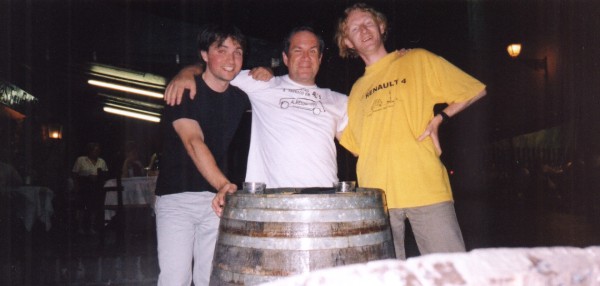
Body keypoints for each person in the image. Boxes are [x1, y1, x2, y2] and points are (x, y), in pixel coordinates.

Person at [335, 3, 487, 260]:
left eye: (369, 23)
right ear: (347, 42)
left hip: (425, 186)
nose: (363, 30)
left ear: (381, 27)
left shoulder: (417, 59)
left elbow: (474, 90)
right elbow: (357, 146)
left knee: (452, 271)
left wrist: (440, 118)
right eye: (354, 28)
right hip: (376, 198)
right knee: (386, 277)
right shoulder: (357, 91)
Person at [164, 26, 349, 195]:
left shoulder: (339, 100)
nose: (305, 58)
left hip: (326, 196)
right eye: (297, 50)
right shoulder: (262, 83)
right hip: (273, 198)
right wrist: (187, 72)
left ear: (320, 58)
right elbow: (216, 70)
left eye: (313, 51)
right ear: (285, 57)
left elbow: (359, 146)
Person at [154, 23, 250, 286]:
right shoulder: (184, 90)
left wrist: (264, 72)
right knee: (175, 279)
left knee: (211, 279)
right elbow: (193, 142)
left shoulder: (240, 97)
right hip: (177, 199)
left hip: (215, 202)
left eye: (238, 52)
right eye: (222, 50)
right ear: (205, 55)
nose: (231, 60)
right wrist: (224, 185)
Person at [71, 142, 108, 235]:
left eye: (98, 150)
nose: (97, 152)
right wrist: (77, 186)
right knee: (81, 208)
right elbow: (75, 174)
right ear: (90, 151)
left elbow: (105, 174)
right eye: (95, 150)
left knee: (93, 208)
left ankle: (91, 227)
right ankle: (80, 227)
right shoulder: (81, 160)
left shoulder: (101, 161)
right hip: (84, 187)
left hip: (96, 187)